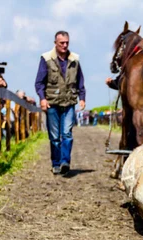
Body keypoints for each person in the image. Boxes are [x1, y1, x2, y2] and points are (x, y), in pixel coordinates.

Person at [35, 31, 86, 175]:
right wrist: (42, 99)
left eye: (67, 43)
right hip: (52, 102)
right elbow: (39, 83)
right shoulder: (46, 59)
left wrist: (82, 97)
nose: (64, 45)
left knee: (67, 134)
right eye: (61, 43)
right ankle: (55, 163)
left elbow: (80, 80)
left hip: (69, 102)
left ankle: (65, 162)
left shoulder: (75, 59)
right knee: (55, 136)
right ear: (55, 43)